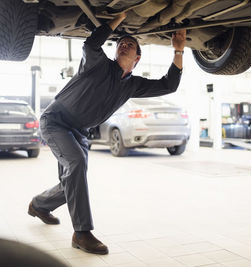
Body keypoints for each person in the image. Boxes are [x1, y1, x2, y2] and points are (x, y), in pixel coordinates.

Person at [28, 12, 186, 255]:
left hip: (79, 132)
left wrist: (179, 50)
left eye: (130, 45)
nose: (124, 45)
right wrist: (118, 18)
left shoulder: (133, 85)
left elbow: (169, 85)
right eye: (121, 43)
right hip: (55, 122)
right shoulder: (98, 64)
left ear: (137, 58)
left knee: (71, 179)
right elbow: (90, 43)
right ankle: (81, 233)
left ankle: (39, 204)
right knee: (77, 165)